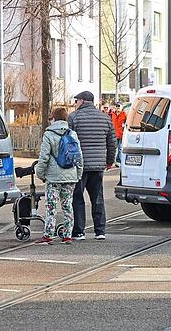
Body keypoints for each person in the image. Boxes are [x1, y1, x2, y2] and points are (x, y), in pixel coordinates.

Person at [68, 91, 116, 241]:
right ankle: (100, 231)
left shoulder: (73, 118)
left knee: (77, 197)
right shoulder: (105, 118)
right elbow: (112, 143)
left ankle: (79, 231)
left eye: (76, 101)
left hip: (80, 165)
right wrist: (109, 161)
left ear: (82, 101)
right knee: (97, 198)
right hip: (98, 165)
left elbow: (69, 142)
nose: (75, 104)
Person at [34, 107, 83, 245]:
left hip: (53, 178)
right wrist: (78, 174)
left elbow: (43, 158)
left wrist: (40, 173)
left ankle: (48, 235)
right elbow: (79, 157)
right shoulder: (72, 134)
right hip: (71, 176)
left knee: (51, 206)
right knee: (68, 206)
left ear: (53, 118)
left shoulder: (49, 134)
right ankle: (67, 235)